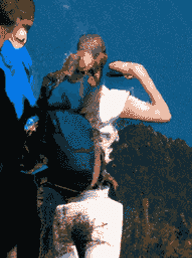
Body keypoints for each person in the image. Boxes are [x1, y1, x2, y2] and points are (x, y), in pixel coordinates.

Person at [37, 33, 170, 258]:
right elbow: (163, 113)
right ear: (101, 62)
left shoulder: (58, 97)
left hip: (60, 205)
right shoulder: (111, 99)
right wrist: (139, 72)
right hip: (97, 205)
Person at [0, 0, 45, 258]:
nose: (25, 34)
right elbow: (20, 105)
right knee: (18, 241)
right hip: (11, 165)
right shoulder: (12, 59)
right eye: (23, 26)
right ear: (12, 24)